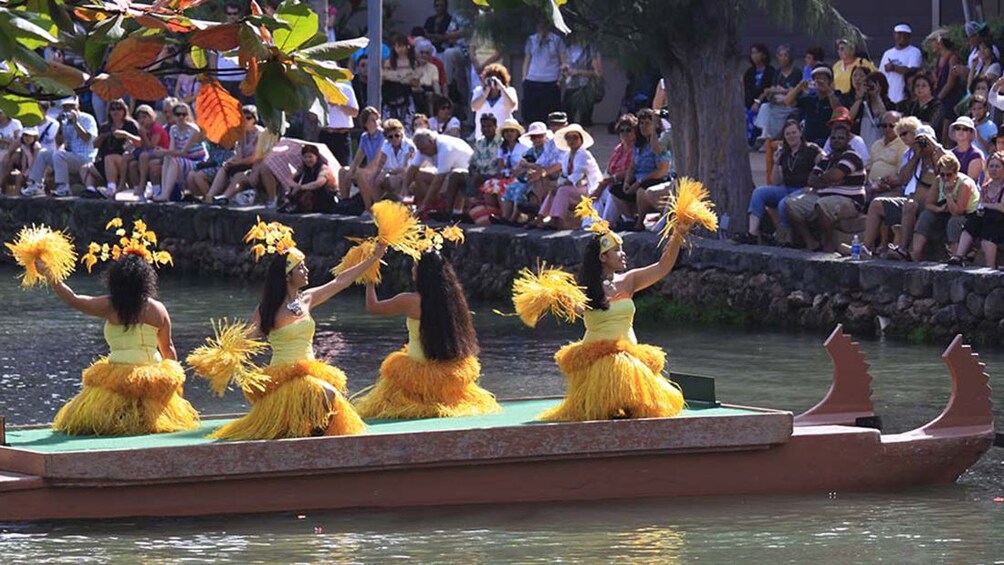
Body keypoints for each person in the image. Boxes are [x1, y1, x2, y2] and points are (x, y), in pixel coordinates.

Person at [516, 189, 714, 422]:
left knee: (637, 405)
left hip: (630, 358)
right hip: (598, 362)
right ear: (602, 257)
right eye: (616, 250)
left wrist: (677, 237)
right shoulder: (585, 290)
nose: (623, 254)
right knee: (607, 408)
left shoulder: (629, 280)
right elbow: (575, 307)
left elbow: (662, 267)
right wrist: (553, 295)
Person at [192, 221, 385, 440]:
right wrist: (221, 356)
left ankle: (314, 441)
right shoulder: (268, 309)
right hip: (284, 377)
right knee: (325, 395)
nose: (306, 270)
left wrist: (373, 258)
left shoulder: (307, 299)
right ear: (287, 275)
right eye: (300, 267)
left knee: (327, 401)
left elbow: (340, 281)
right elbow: (248, 337)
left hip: (309, 371)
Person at [23, 219, 198, 435]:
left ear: (116, 280)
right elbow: (168, 349)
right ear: (146, 280)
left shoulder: (110, 306)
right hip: (152, 377)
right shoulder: (158, 309)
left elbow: (73, 299)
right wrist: (172, 390)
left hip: (116, 380)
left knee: (97, 424)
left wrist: (52, 276)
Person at [353, 229, 500, 419]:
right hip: (448, 374)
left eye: (415, 267)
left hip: (414, 377)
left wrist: (370, 280)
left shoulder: (410, 300)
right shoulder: (455, 303)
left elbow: (373, 308)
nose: (412, 270)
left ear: (423, 274)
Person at [734, 119, 823, 245]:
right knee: (759, 192)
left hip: (804, 190)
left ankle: (787, 238)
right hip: (787, 188)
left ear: (800, 132)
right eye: (788, 134)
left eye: (794, 132)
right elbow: (776, 182)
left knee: (783, 203)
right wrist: (776, 162)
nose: (791, 136)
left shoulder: (811, 149)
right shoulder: (784, 152)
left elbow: (825, 164)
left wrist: (814, 185)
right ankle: (752, 234)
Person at [785, 121, 867, 252]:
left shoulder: (852, 156)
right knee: (791, 204)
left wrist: (824, 178)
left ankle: (828, 245)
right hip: (823, 196)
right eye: (833, 138)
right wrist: (829, 179)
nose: (836, 140)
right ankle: (811, 242)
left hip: (849, 201)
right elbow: (811, 180)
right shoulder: (827, 158)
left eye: (841, 138)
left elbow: (836, 176)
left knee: (823, 204)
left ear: (847, 140)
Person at [21, 97, 98, 197]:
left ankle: (63, 187)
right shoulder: (65, 121)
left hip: (85, 159)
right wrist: (60, 126)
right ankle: (36, 185)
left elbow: (87, 138)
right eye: (66, 107)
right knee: (43, 153)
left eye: (71, 106)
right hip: (71, 157)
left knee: (59, 154)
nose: (69, 109)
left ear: (77, 106)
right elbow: (60, 142)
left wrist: (76, 123)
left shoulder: (88, 118)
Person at [909, 152, 979, 261]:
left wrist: (949, 194)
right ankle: (916, 252)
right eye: (942, 174)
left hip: (967, 214)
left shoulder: (965, 184)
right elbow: (928, 203)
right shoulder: (938, 180)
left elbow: (958, 212)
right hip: (946, 210)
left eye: (949, 175)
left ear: (956, 172)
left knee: (954, 222)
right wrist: (939, 209)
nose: (945, 178)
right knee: (926, 216)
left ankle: (956, 256)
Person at [532, 123, 602, 230]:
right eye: (569, 138)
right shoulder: (567, 155)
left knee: (562, 190)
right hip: (576, 188)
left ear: (581, 139)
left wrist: (559, 185)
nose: (572, 140)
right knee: (555, 191)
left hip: (590, 190)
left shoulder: (584, 155)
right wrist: (558, 185)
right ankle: (540, 218)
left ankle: (556, 219)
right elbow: (564, 175)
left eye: (575, 137)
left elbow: (577, 176)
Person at [613, 108, 670, 227]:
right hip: (639, 178)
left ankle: (639, 223)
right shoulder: (639, 145)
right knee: (615, 190)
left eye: (648, 123)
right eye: (641, 123)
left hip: (654, 179)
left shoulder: (660, 143)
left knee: (640, 191)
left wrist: (639, 182)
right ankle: (630, 219)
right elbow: (633, 166)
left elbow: (662, 170)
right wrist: (627, 182)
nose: (643, 126)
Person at [952, 151, 1004, 267]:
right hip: (988, 221)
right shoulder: (985, 187)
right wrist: (983, 208)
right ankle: (958, 256)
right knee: (974, 220)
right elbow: (980, 206)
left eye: (997, 166)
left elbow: (1002, 207)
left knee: (992, 220)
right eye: (991, 166)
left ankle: (990, 265)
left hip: (999, 222)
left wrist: (986, 206)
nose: (994, 169)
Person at [407, 128, 473, 219]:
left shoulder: (446, 148)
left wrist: (424, 204)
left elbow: (438, 181)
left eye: (423, 149)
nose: (421, 152)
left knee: (455, 176)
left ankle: (453, 213)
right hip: (448, 177)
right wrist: (402, 194)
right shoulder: (423, 146)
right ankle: (433, 207)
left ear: (430, 142)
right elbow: (412, 170)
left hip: (467, 179)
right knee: (418, 175)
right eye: (419, 150)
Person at [82, 98, 140, 199]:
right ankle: (91, 190)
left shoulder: (130, 125)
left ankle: (111, 189)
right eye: (112, 109)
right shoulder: (105, 126)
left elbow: (139, 142)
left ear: (124, 110)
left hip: (123, 160)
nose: (116, 111)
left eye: (119, 108)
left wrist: (126, 135)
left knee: (110, 158)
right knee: (84, 168)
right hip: (105, 163)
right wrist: (102, 137)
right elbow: (95, 145)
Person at [204, 105, 263, 202]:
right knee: (225, 167)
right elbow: (239, 154)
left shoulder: (259, 133)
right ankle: (210, 196)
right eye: (242, 118)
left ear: (254, 119)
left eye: (248, 118)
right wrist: (233, 162)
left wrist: (237, 163)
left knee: (238, 175)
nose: (245, 121)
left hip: (255, 167)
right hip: (244, 164)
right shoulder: (241, 133)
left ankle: (225, 197)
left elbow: (254, 157)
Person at [783, 65, 849, 146]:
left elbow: (839, 110)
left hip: (828, 142)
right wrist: (798, 87)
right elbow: (787, 101)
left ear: (830, 81)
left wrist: (828, 90)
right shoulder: (810, 98)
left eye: (824, 79)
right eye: (817, 79)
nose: (820, 82)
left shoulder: (837, 95)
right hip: (808, 142)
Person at [591, 114, 637, 225]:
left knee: (613, 192)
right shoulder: (618, 148)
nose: (624, 133)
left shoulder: (637, 149)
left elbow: (632, 170)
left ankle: (607, 224)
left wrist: (611, 179)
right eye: (622, 130)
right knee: (595, 195)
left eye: (628, 130)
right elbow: (609, 169)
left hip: (627, 184)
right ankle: (591, 225)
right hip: (611, 182)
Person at [339, 106, 384, 213]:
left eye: (377, 119)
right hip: (369, 170)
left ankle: (369, 208)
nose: (376, 122)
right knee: (343, 171)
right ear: (365, 123)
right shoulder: (364, 137)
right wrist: (350, 171)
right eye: (372, 120)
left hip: (380, 169)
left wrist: (362, 171)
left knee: (361, 174)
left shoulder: (383, 135)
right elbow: (358, 158)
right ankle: (345, 203)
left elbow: (378, 159)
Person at [359, 118, 415, 204]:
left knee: (398, 179)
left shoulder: (409, 146)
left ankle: (400, 207)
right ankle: (375, 208)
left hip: (408, 176)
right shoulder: (386, 144)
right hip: (392, 174)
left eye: (397, 135)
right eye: (390, 137)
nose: (394, 139)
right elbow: (381, 164)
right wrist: (375, 176)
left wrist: (387, 172)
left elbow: (406, 169)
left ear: (402, 134)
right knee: (374, 180)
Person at [752, 45, 800, 141]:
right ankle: (764, 133)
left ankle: (771, 137)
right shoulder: (777, 73)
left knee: (774, 112)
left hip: (790, 103)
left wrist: (783, 91)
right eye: (780, 55)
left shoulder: (796, 72)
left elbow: (798, 89)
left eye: (785, 55)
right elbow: (773, 88)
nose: (782, 58)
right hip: (777, 101)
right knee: (765, 107)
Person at [521, 21, 565, 125]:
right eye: (540, 25)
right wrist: (524, 77)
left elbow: (563, 61)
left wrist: (560, 79)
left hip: (551, 81)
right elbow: (527, 60)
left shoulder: (557, 40)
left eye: (544, 25)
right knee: (531, 115)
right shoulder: (531, 39)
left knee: (550, 116)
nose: (542, 27)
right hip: (532, 80)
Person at [122, 104, 169, 197]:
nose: (142, 120)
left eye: (145, 117)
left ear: (152, 117)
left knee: (144, 156)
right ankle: (131, 187)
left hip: (161, 153)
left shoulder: (156, 128)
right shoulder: (143, 129)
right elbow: (141, 145)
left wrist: (143, 135)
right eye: (139, 118)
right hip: (148, 153)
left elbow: (151, 146)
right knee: (131, 163)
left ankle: (142, 185)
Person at [562, 32, 604, 127]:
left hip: (585, 87)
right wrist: (564, 71)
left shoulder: (591, 49)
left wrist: (578, 72)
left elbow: (598, 73)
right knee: (567, 116)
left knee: (585, 119)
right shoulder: (569, 49)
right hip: (571, 85)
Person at [281, 145, 339, 213]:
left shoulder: (324, 169)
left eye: (310, 157)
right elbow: (289, 179)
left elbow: (318, 183)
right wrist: (295, 186)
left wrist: (301, 187)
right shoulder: (303, 168)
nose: (308, 160)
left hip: (324, 198)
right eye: (305, 157)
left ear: (316, 157)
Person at [470, 63, 518, 140]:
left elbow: (511, 106)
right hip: (482, 137)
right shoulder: (479, 91)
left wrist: (502, 88)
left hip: (503, 137)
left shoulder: (509, 91)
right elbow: (474, 107)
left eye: (497, 77)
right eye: (490, 77)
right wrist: (486, 92)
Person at [880, 23, 924, 104]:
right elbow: (881, 75)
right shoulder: (887, 53)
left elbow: (912, 72)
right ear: (894, 35)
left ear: (910, 37)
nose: (902, 37)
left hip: (905, 98)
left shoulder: (914, 52)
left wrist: (894, 68)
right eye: (899, 34)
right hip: (888, 98)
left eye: (906, 35)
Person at [849, 71, 894, 148]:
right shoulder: (863, 105)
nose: (870, 87)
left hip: (881, 145)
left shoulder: (889, 104)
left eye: (873, 84)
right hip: (863, 145)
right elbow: (850, 117)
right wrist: (860, 97)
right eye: (868, 84)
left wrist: (877, 96)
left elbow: (885, 118)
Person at [744, 43, 775, 146]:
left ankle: (753, 141)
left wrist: (758, 101)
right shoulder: (749, 72)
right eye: (752, 53)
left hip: (765, 102)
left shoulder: (770, 71)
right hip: (749, 103)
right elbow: (746, 90)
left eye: (756, 53)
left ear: (763, 55)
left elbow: (769, 89)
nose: (754, 55)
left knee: (755, 113)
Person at [900, 72, 944, 142]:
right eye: (917, 86)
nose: (920, 88)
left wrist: (911, 125)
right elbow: (903, 122)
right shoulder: (911, 105)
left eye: (924, 86)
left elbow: (932, 125)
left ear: (930, 88)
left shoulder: (937, 105)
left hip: (930, 141)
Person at [949, 115, 985, 181]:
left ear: (971, 133)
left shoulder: (976, 154)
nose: (961, 131)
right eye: (958, 128)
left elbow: (970, 181)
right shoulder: (949, 153)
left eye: (965, 129)